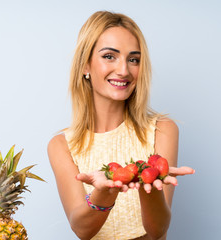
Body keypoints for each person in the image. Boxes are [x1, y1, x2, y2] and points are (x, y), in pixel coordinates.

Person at [48, 11, 195, 240]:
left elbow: (157, 230)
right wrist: (105, 193)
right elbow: (82, 229)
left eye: (133, 59)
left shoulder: (162, 130)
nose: (124, 70)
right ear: (85, 65)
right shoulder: (61, 145)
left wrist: (148, 181)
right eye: (109, 56)